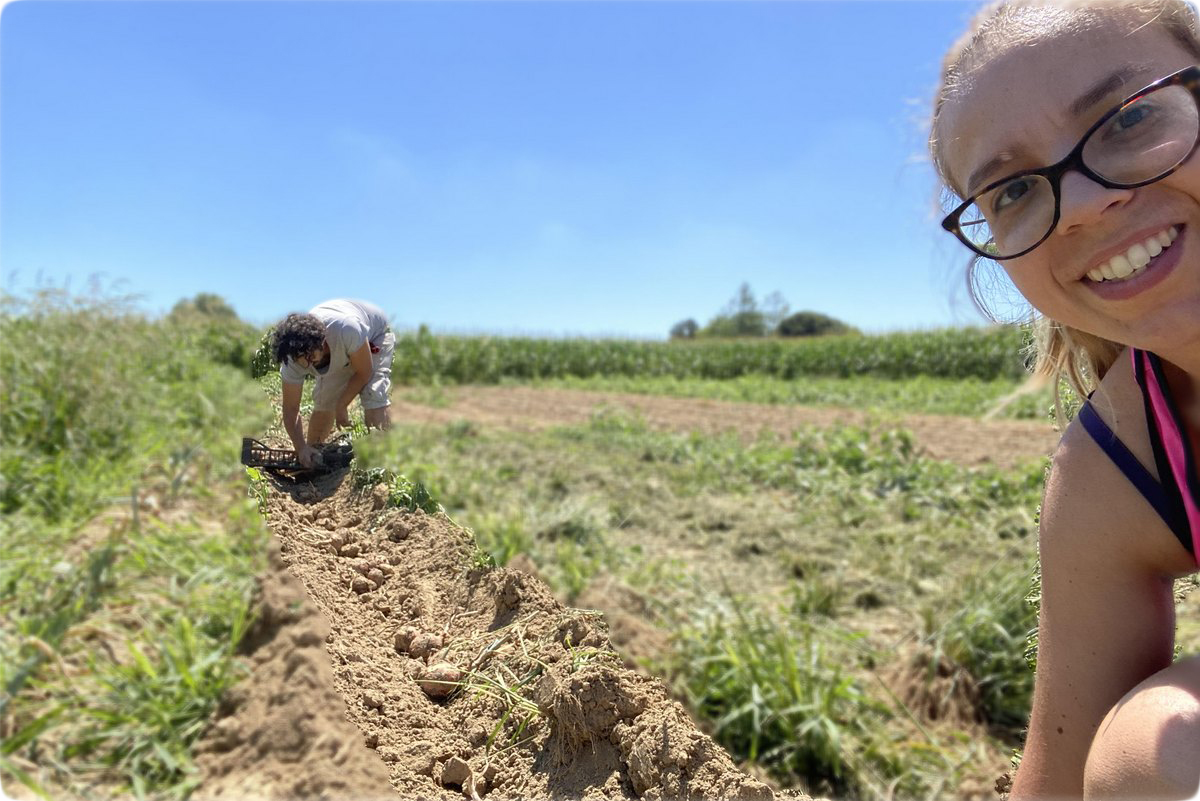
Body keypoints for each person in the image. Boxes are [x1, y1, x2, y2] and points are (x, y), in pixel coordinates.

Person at [931, 1, 1200, 797]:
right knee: (1148, 754)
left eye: (1130, 118)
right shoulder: (1120, 460)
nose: (1081, 204)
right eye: (1012, 191)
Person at [271, 299, 394, 467]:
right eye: (301, 361)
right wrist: (301, 448)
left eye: (309, 357)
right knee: (324, 403)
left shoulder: (346, 329)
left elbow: (364, 372)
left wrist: (342, 405)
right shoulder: (291, 359)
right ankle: (313, 458)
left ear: (321, 342)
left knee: (373, 394)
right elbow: (291, 409)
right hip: (344, 347)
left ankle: (383, 462)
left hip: (375, 335)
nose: (307, 365)